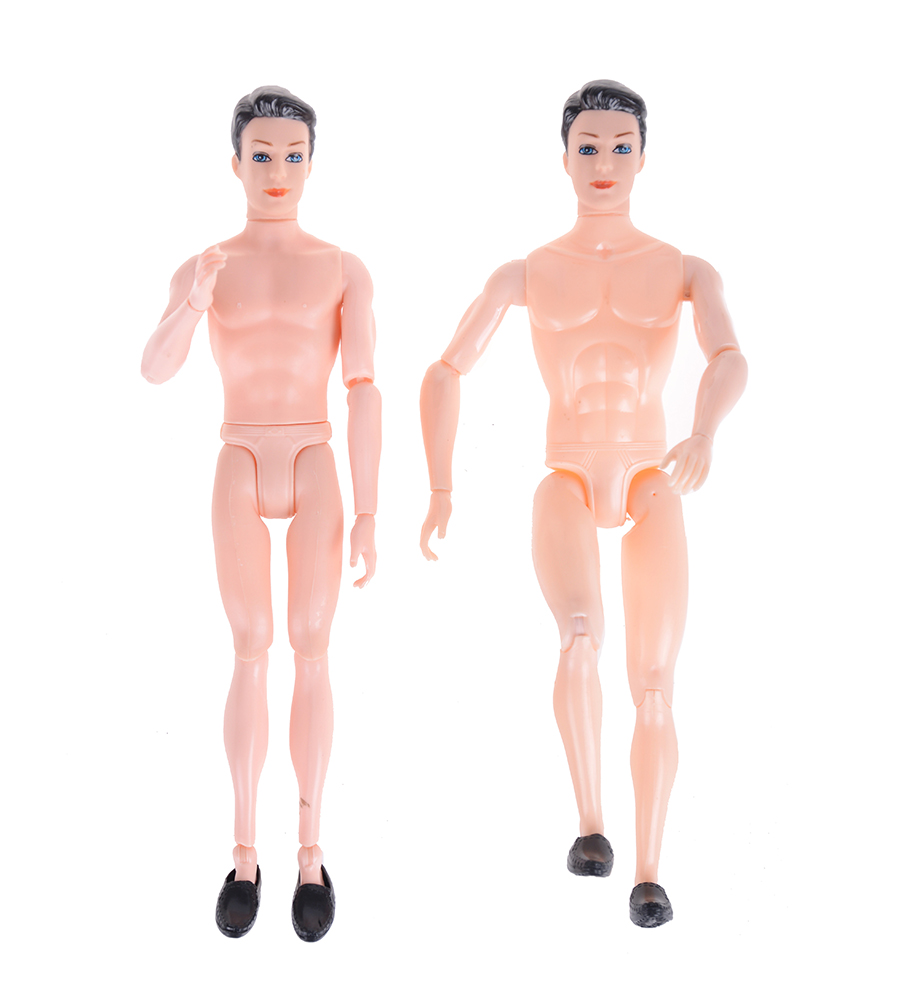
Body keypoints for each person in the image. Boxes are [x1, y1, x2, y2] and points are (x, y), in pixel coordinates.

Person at [419, 80, 747, 927]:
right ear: (564, 158)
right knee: (576, 639)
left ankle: (649, 873)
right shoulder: (528, 272)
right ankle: (591, 826)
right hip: (565, 472)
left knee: (655, 683)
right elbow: (445, 370)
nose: (605, 162)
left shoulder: (683, 269)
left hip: (651, 474)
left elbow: (728, 357)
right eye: (589, 146)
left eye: (621, 146)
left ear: (644, 157)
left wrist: (704, 432)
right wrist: (442, 486)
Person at [142, 86, 381, 942]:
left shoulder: (342, 266)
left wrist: (369, 510)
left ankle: (310, 853)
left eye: (293, 155)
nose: (278, 170)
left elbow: (363, 388)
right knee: (251, 646)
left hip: (314, 454)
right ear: (236, 162)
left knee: (311, 645)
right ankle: (245, 854)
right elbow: (156, 368)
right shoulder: (204, 265)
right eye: (263, 154)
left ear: (313, 163)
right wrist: (195, 301)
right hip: (239, 453)